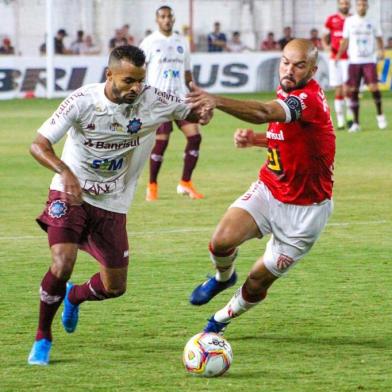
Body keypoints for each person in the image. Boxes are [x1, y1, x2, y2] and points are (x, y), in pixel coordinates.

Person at [27, 45, 212, 366]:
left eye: (140, 81)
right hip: (70, 193)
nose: (136, 88)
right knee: (62, 262)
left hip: (113, 201)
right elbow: (39, 144)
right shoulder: (82, 101)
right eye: (128, 81)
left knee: (115, 287)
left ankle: (74, 296)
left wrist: (204, 112)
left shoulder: (154, 99)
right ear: (109, 75)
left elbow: (192, 112)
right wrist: (65, 171)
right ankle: (43, 336)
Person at [187, 39, 335, 336]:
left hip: (305, 213)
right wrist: (256, 140)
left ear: (313, 70)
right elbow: (298, 141)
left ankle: (219, 320)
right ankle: (222, 277)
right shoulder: (287, 88)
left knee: (257, 281)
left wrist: (216, 100)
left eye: (299, 65)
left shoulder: (309, 100)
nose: (289, 69)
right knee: (221, 242)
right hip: (270, 189)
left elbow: (266, 113)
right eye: (285, 62)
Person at [140, 6, 204, 201]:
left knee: (195, 138)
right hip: (159, 100)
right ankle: (152, 185)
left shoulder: (181, 41)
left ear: (173, 19)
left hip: (181, 99)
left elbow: (187, 73)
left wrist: (195, 94)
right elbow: (140, 72)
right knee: (162, 143)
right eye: (163, 17)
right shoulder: (149, 43)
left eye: (169, 17)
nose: (167, 20)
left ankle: (185, 183)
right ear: (157, 20)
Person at [336, 0, 387, 132]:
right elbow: (345, 40)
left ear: (367, 6)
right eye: (359, 5)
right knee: (353, 90)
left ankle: (380, 116)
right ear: (356, 6)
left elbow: (379, 37)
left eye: (364, 5)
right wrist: (339, 55)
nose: (361, 7)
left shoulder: (373, 21)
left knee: (374, 87)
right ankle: (356, 123)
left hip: (369, 60)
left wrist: (381, 51)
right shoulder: (350, 21)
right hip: (354, 61)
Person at [322, 0, 354, 130]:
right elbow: (324, 36)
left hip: (349, 58)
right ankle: (340, 121)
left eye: (346, 3)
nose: (344, 5)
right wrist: (327, 48)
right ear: (338, 5)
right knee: (339, 89)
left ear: (349, 5)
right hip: (334, 59)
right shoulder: (331, 19)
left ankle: (350, 118)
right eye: (342, 3)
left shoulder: (353, 19)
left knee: (348, 89)